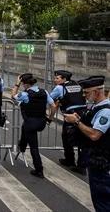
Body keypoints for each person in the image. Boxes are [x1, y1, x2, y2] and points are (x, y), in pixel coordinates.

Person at [64, 76, 110, 211]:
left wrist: (77, 122)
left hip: (102, 163)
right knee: (98, 200)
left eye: (87, 93)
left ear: (97, 92)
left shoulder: (105, 111)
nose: (84, 96)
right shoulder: (96, 107)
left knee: (103, 202)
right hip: (96, 161)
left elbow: (95, 135)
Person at [12, 73, 56, 178]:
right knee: (24, 128)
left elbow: (13, 95)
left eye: (22, 84)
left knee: (34, 147)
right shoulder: (44, 92)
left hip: (31, 123)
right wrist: (50, 119)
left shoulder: (25, 95)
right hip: (41, 122)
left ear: (25, 84)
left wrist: (17, 84)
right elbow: (53, 106)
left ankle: (39, 170)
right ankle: (22, 145)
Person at [50, 70, 87, 175]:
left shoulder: (60, 88)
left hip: (70, 115)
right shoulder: (77, 85)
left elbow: (50, 99)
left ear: (64, 79)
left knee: (66, 137)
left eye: (57, 78)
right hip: (83, 114)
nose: (55, 80)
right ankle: (82, 165)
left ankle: (70, 160)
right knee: (82, 139)